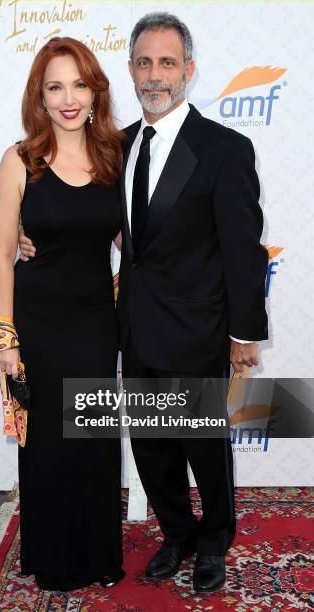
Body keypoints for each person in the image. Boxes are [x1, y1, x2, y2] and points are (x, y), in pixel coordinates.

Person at [20, 12, 269, 595]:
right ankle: (177, 535)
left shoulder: (225, 149)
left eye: (167, 62)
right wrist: (32, 239)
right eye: (143, 62)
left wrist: (243, 333)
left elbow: (243, 250)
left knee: (204, 451)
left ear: (188, 69)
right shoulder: (117, 146)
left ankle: (214, 545)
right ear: (130, 69)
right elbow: (103, 224)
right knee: (153, 450)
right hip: (129, 330)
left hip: (196, 331)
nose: (155, 75)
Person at [0, 36, 125, 592]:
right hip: (39, 329)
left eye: (78, 84)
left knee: (93, 444)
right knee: (47, 446)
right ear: (39, 98)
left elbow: (133, 242)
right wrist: (6, 340)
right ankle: (53, 559)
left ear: (95, 92)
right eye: (55, 86)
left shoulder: (116, 157)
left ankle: (98, 554)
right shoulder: (19, 160)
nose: (68, 97)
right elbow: (2, 253)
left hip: (97, 326)